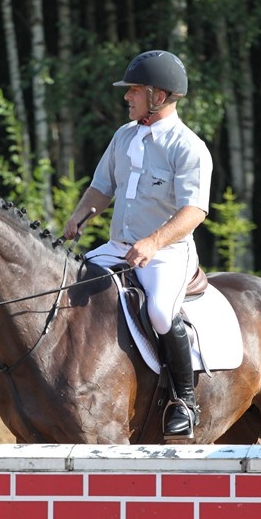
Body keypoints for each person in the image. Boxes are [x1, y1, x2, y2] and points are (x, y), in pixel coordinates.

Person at [63, 50, 213, 438]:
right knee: (71, 286)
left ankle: (185, 400)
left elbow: (195, 210)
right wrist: (80, 215)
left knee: (162, 313)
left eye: (133, 91)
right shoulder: (124, 136)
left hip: (167, 253)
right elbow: (102, 187)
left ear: (158, 96)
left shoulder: (188, 147)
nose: (126, 98)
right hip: (119, 245)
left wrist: (153, 241)